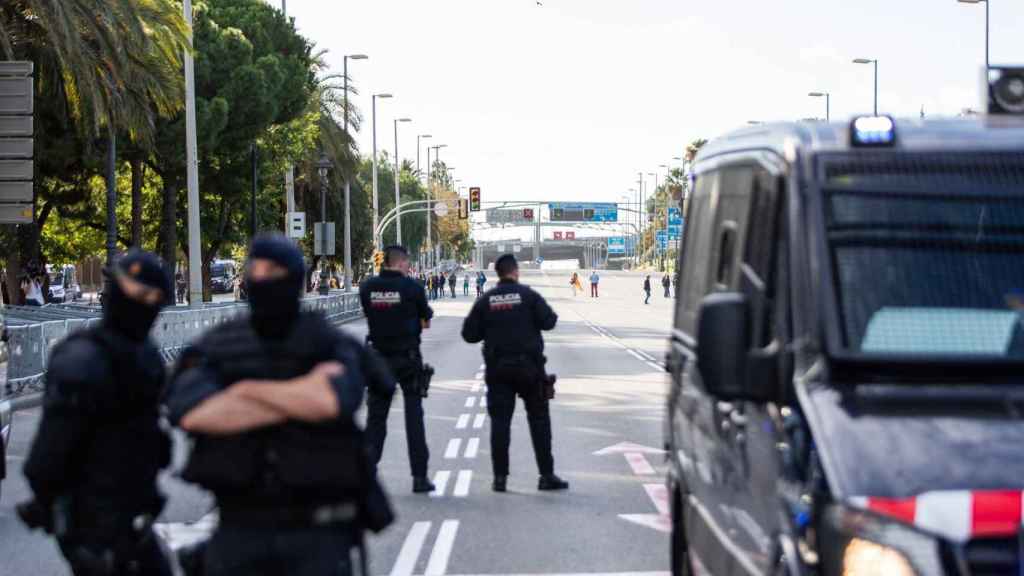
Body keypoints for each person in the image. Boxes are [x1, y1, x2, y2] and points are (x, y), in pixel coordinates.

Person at [164, 234, 391, 576]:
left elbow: (332, 401)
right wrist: (300, 393)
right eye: (256, 268)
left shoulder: (329, 342)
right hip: (241, 530)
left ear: (294, 278)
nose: (263, 278)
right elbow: (193, 413)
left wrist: (241, 392)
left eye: (274, 270)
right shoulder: (219, 345)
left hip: (321, 532)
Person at [20, 250, 174, 575]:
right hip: (90, 520)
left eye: (149, 297)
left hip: (132, 512)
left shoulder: (146, 356)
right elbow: (49, 452)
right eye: (133, 293)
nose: (141, 304)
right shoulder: (82, 359)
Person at [462, 254, 569, 493]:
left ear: (497, 274)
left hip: (498, 370)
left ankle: (500, 479)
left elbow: (469, 334)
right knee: (539, 421)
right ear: (516, 271)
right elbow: (549, 321)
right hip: (530, 369)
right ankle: (546, 475)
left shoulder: (486, 300)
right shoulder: (529, 296)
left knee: (500, 424)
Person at [359, 245, 436, 494]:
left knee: (375, 419)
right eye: (407, 263)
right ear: (401, 263)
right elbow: (426, 321)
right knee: (414, 418)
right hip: (408, 359)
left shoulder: (368, 287)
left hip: (378, 359)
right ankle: (419, 478)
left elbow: (368, 313)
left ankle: (366, 477)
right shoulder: (413, 288)